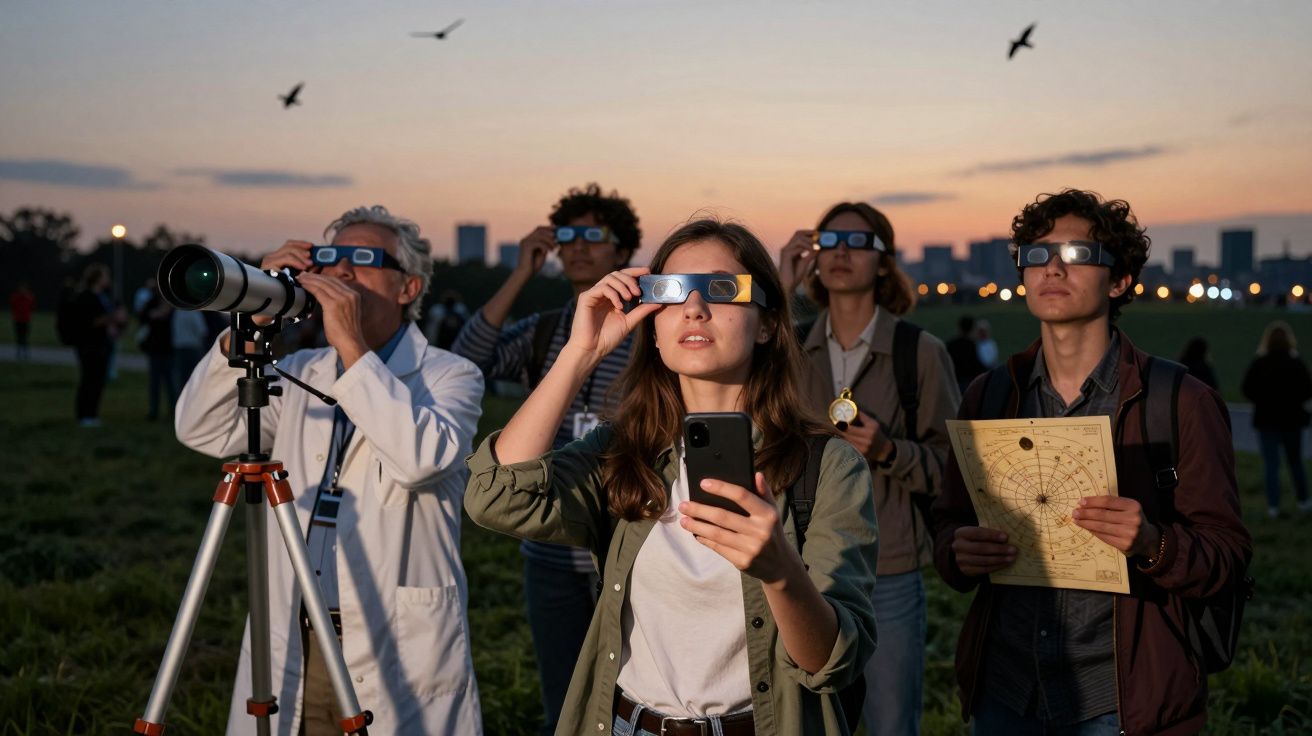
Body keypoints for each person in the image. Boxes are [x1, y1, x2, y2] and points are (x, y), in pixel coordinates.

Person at [465, 218, 878, 735]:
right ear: (653, 327)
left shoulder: (828, 466)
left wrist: (780, 571)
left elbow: (832, 662)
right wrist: (579, 355)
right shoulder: (623, 450)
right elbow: (496, 497)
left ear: (768, 324)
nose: (694, 307)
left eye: (722, 289)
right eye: (672, 290)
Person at [932, 189, 1252, 734]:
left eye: (1077, 254)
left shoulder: (1180, 402)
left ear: (1120, 279)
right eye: (1036, 254)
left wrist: (1153, 543)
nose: (1052, 268)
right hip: (1007, 692)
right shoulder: (989, 396)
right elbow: (948, 523)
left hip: (1119, 700)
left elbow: (1228, 556)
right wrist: (958, 551)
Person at [175, 205, 485, 735]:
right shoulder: (302, 370)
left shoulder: (449, 375)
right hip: (295, 631)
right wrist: (250, 321)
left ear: (408, 287)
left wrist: (351, 345)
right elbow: (201, 428)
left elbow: (420, 460)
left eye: (362, 258)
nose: (340, 271)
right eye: (329, 258)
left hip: (391, 637)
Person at [451, 183, 641, 735]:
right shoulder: (543, 332)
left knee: (634, 698)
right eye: (567, 236)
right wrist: (520, 275)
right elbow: (465, 364)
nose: (578, 247)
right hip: (550, 550)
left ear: (621, 250)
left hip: (623, 540)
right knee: (564, 705)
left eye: (593, 235)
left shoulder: (646, 332)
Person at [779, 202, 960, 735]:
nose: (841, 253)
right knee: (799, 723)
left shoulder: (919, 353)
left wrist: (888, 451)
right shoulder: (789, 349)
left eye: (858, 243)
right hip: (800, 566)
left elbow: (954, 469)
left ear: (884, 262)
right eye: (830, 242)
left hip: (890, 570)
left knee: (890, 725)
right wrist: (782, 286)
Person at [1241, 321, 1311, 517]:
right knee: (1295, 462)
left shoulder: (1260, 363)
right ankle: (1304, 502)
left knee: (1271, 464)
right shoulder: (1296, 363)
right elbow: (1308, 389)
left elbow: (1246, 389)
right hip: (1292, 420)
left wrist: (1262, 400)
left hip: (1266, 420)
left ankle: (1273, 507)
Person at [70, 263, 126, 426]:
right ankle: (84, 415)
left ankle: (92, 414)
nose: (108, 279)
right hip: (89, 345)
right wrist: (113, 317)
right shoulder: (86, 297)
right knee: (89, 380)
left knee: (99, 381)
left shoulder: (104, 296)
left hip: (102, 344)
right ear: (97, 278)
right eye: (105, 276)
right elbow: (90, 321)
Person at [136, 283, 176, 420]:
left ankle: (173, 409)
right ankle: (154, 410)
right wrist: (154, 314)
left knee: (171, 382)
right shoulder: (152, 302)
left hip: (168, 347)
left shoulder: (173, 303)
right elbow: (142, 318)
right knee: (155, 382)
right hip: (156, 347)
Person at [946, 315, 986, 392]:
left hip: (953, 382)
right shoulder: (972, 345)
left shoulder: (951, 344)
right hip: (968, 382)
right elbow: (976, 365)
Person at [9, 281, 35, 360]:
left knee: (25, 337)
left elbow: (32, 307)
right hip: (18, 319)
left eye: (24, 288)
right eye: (21, 288)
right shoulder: (15, 297)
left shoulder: (29, 297)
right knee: (18, 336)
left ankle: (25, 353)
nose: (22, 290)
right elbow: (12, 306)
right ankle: (19, 352)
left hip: (26, 319)